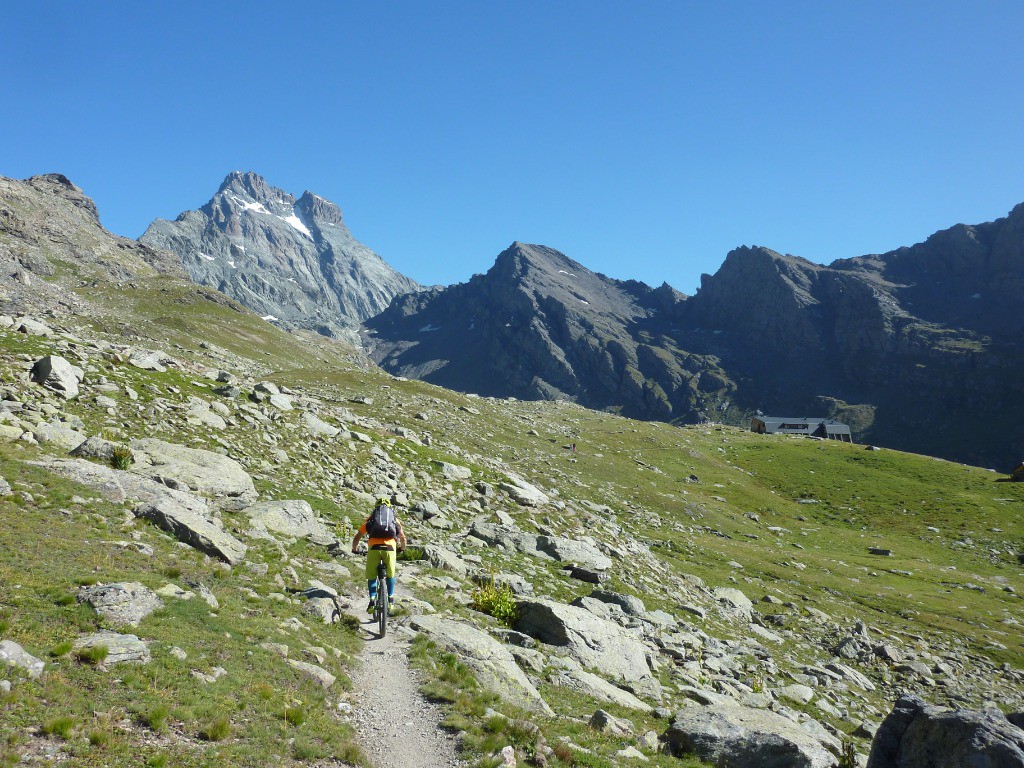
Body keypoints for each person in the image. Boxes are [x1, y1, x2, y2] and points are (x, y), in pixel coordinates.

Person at [351, 497, 407, 614]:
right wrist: (402, 548)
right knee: (390, 575)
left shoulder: (371, 519)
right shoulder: (394, 519)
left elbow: (357, 537)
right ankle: (390, 600)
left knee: (371, 576)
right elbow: (402, 537)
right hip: (390, 548)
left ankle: (372, 600)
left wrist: (355, 549)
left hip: (374, 549)